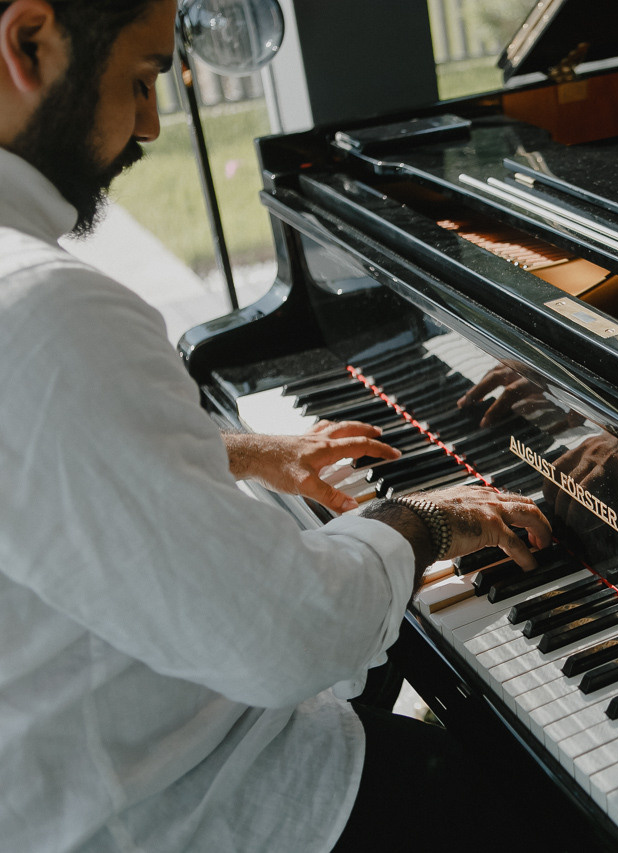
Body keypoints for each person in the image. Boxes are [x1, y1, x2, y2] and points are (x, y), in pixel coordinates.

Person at [0, 1, 553, 850]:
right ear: (28, 42)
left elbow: (38, 462)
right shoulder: (40, 304)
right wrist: (430, 518)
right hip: (175, 807)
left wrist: (245, 452)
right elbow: (283, 642)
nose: (150, 123)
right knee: (529, 798)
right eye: (143, 78)